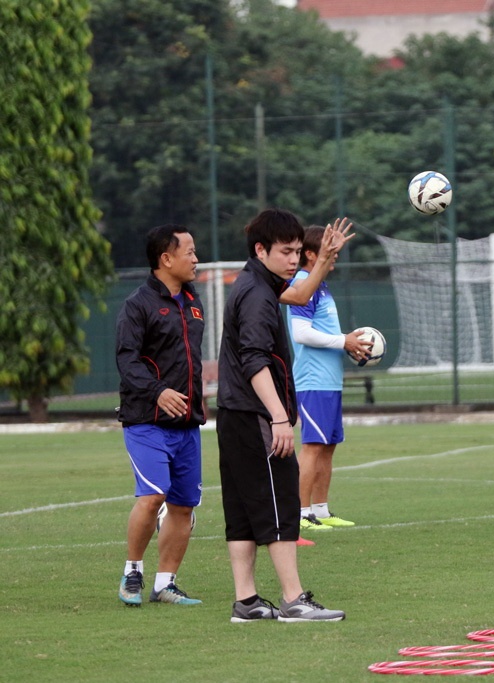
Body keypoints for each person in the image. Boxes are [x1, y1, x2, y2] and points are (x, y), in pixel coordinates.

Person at [217, 208, 345, 623]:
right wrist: (277, 417)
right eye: (287, 252)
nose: (294, 260)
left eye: (298, 252)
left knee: (241, 512)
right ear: (261, 250)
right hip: (255, 415)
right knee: (280, 504)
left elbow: (302, 294)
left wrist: (323, 258)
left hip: (233, 413)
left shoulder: (259, 282)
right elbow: (254, 360)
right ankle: (293, 600)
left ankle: (247, 601)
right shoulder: (256, 294)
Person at [115, 224, 205, 607]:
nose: (196, 259)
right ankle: (132, 572)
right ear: (165, 259)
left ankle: (165, 584)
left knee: (184, 505)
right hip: (145, 420)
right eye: (189, 252)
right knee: (153, 496)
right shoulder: (138, 305)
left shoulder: (193, 301)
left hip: (188, 424)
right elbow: (126, 360)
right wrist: (158, 391)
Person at [287, 225, 369, 534]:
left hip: (329, 380)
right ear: (311, 254)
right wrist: (343, 341)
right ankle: (300, 512)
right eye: (329, 250)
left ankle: (320, 509)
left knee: (328, 445)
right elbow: (301, 333)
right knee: (313, 446)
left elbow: (328, 334)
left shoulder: (320, 286)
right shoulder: (303, 283)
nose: (335, 256)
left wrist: (352, 347)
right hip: (313, 381)